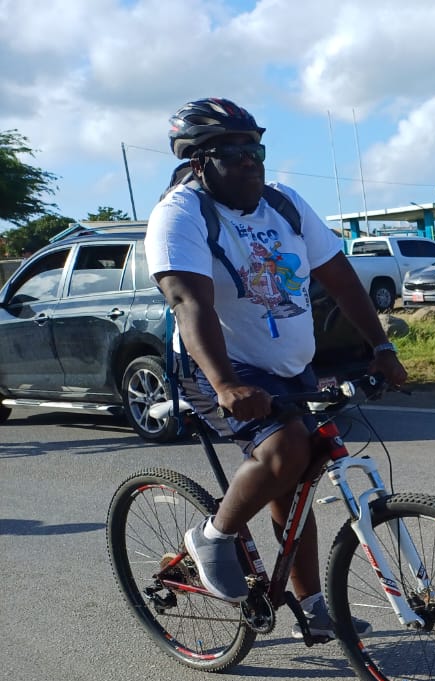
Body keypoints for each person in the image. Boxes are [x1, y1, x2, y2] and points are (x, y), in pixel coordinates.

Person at [145, 97, 408, 637]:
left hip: (289, 362)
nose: (250, 160)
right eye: (233, 151)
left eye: (256, 148)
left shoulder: (284, 204)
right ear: (199, 162)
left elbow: (338, 277)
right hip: (217, 364)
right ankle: (215, 537)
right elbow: (190, 304)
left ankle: (310, 608)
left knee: (300, 470)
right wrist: (225, 383)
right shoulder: (180, 214)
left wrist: (382, 348)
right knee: (284, 447)